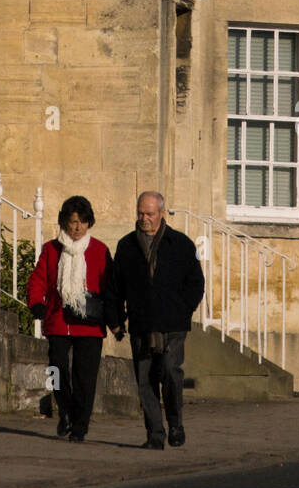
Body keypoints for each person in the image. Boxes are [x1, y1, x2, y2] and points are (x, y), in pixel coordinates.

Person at [105, 191, 204, 449]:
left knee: (170, 372)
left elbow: (196, 283)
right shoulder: (126, 246)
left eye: (149, 213)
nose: (144, 218)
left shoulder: (181, 244)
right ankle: (155, 435)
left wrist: (184, 310)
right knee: (145, 380)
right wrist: (115, 319)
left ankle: (176, 425)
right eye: (140, 213)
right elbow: (115, 286)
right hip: (142, 323)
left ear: (161, 213)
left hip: (173, 324)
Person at [27, 195, 113, 443]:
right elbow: (38, 280)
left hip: (89, 324)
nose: (77, 228)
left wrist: (114, 318)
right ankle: (64, 409)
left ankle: (79, 425)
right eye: (73, 222)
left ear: (89, 223)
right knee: (55, 369)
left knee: (85, 378)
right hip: (58, 320)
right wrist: (37, 303)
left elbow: (110, 287)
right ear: (64, 222)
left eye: (82, 222)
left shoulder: (99, 250)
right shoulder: (51, 249)